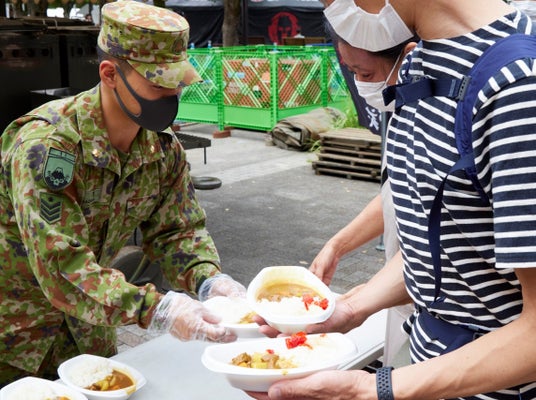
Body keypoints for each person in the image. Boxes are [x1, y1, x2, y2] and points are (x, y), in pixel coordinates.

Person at [247, 0, 536, 399]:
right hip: (428, 365)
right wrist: (349, 309)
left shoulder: (519, 88)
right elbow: (448, 244)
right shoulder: (420, 66)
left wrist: (370, 389)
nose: (329, 8)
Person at [0, 0, 245, 386]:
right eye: (158, 83)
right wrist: (157, 309)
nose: (172, 94)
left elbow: (176, 231)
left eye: (178, 82)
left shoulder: (161, 149)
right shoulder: (48, 147)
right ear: (110, 74)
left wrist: (208, 280)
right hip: (16, 339)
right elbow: (61, 265)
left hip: (88, 334)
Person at [308, 31, 417, 367]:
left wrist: (358, 305)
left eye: (366, 73)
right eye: (352, 72)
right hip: (400, 300)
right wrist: (337, 245)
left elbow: (441, 246)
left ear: (408, 55)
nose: (360, 84)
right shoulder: (403, 107)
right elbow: (395, 197)